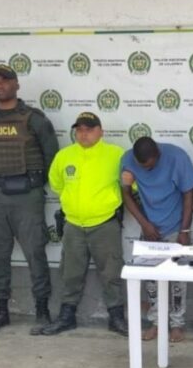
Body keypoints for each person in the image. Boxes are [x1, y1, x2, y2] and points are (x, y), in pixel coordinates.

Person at [0, 64, 59, 336]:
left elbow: (51, 156)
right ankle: (0, 311)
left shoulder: (34, 118)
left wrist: (31, 182)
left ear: (17, 85)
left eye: (5, 80)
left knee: (35, 251)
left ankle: (42, 309)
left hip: (27, 195)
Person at [41, 112, 128, 336]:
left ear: (101, 131)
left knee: (111, 273)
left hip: (105, 224)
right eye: (79, 129)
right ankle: (66, 317)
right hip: (73, 226)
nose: (84, 134)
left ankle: (117, 318)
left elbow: (130, 186)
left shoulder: (117, 155)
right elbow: (57, 185)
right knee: (71, 273)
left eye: (89, 129)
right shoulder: (64, 156)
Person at [120, 137, 193, 342]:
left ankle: (177, 324)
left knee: (179, 281)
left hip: (175, 227)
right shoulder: (127, 160)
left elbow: (189, 194)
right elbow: (125, 193)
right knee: (151, 281)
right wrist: (144, 224)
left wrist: (185, 229)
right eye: (141, 166)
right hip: (149, 229)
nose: (146, 170)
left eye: (150, 165)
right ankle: (156, 322)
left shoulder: (177, 157)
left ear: (158, 155)